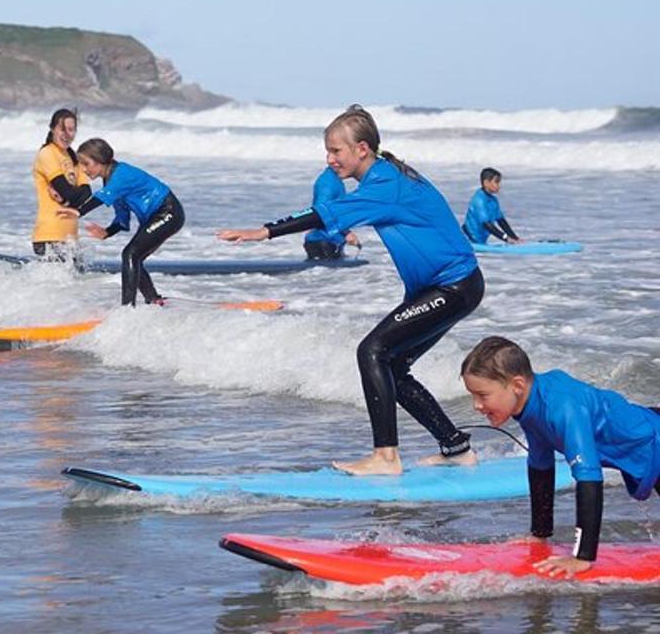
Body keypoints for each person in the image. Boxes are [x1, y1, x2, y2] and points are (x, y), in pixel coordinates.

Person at [217, 105, 482, 475]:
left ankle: (386, 457)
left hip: (452, 285)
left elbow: (326, 214)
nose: (329, 159)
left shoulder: (385, 184)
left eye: (335, 151)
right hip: (449, 286)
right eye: (327, 150)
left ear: (361, 149)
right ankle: (455, 447)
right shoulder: (383, 178)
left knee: (372, 350)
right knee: (393, 364)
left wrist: (264, 231)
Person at [461, 335, 660, 578]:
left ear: (517, 385)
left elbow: (589, 476)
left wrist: (583, 557)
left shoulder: (562, 407)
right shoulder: (530, 405)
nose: (476, 405)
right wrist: (539, 535)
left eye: (482, 395)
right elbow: (540, 464)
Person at [57, 138, 184, 306]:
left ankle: (127, 307)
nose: (83, 169)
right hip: (157, 216)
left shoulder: (122, 174)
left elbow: (101, 197)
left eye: (86, 164)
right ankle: (153, 299)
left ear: (100, 161)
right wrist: (108, 232)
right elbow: (122, 214)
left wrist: (79, 211)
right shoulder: (110, 180)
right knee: (134, 256)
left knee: (130, 254)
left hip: (168, 212)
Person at [32, 108, 91, 258]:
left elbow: (87, 193)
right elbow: (68, 191)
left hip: (71, 239)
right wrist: (70, 197)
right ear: (52, 129)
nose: (66, 134)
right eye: (62, 129)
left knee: (78, 282)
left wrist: (65, 199)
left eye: (71, 129)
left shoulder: (73, 157)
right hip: (49, 236)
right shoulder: (47, 154)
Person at [303, 166, 360, 260]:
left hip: (323, 239)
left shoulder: (332, 179)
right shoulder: (329, 183)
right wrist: (346, 233)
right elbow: (322, 212)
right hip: (325, 242)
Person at [463, 167, 522, 245]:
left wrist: (515, 238)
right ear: (486, 183)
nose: (499, 186)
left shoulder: (493, 200)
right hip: (468, 240)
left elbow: (501, 221)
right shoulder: (479, 200)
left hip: (479, 242)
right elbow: (487, 225)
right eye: (496, 182)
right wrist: (506, 238)